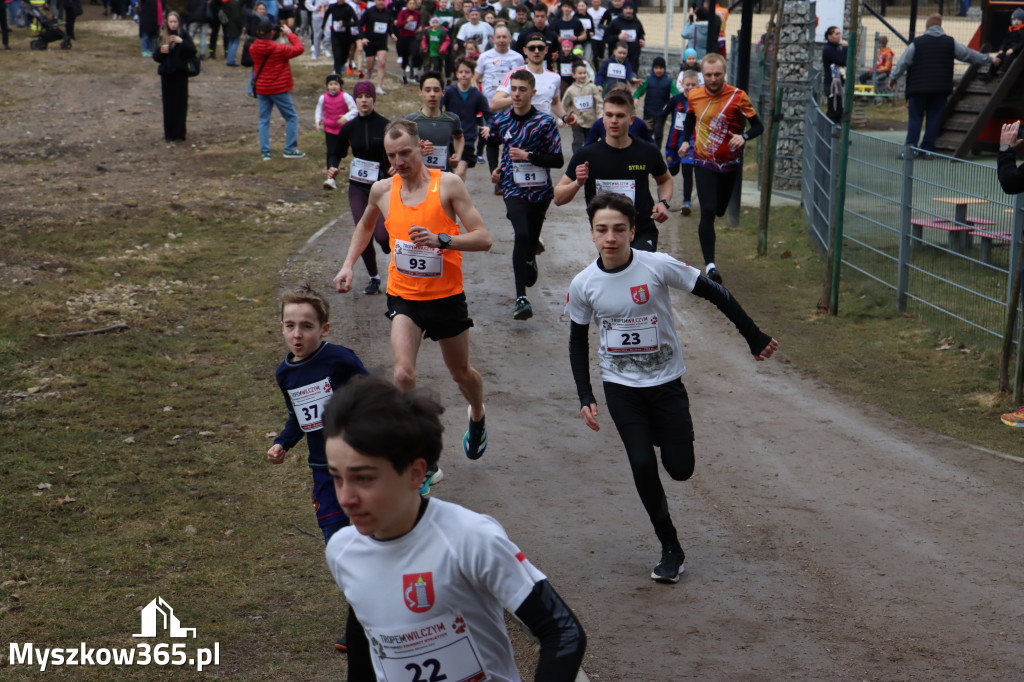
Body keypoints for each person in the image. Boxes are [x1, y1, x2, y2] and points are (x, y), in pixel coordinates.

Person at [566, 192, 778, 583]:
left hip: (666, 384)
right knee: (643, 464)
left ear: (632, 231)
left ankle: (668, 439)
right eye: (601, 230)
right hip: (621, 388)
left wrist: (752, 335)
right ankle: (670, 548)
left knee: (680, 469)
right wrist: (585, 394)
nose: (610, 237)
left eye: (618, 229)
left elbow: (714, 292)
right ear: (592, 234)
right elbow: (578, 340)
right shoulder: (584, 284)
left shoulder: (657, 266)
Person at [322, 374, 587, 681]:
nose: (346, 498)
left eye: (364, 478)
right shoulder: (343, 551)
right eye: (337, 477)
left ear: (415, 473)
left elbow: (563, 631)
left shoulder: (471, 540)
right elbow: (364, 643)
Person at [332, 119, 493, 464]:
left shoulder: (447, 185)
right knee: (402, 373)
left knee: (460, 372)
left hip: (446, 296)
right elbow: (364, 226)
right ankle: (423, 450)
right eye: (392, 155)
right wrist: (348, 265)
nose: (399, 161)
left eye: (405, 152)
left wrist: (442, 240)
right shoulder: (383, 191)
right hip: (404, 295)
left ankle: (477, 412)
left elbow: (484, 238)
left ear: (421, 148)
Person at [267, 283, 368, 652]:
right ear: (281, 327)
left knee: (368, 542)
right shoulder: (285, 374)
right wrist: (282, 441)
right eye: (290, 325)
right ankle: (364, 613)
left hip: (358, 466)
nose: (298, 333)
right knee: (336, 548)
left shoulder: (339, 359)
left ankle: (363, 626)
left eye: (306, 326)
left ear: (323, 329)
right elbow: (297, 417)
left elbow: (372, 394)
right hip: (322, 471)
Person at [679, 52, 763, 283]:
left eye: (717, 74)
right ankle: (711, 266)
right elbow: (689, 118)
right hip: (704, 160)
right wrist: (686, 140)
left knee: (719, 210)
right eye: (708, 75)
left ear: (724, 73)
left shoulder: (738, 96)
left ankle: (717, 212)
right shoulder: (694, 95)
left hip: (730, 164)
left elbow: (758, 126)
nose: (713, 79)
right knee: (707, 210)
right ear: (702, 74)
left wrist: (744, 136)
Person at [554, 88, 671, 252]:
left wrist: (663, 202)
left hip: (642, 231)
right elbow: (558, 198)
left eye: (620, 116)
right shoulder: (586, 155)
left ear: (631, 120)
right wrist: (577, 183)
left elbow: (664, 179)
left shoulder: (648, 151)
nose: (613, 120)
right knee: (618, 273)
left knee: (638, 273)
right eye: (609, 115)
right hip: (607, 236)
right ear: (603, 119)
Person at [488, 69, 564, 320]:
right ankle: (521, 298)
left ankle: (531, 255)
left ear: (533, 92)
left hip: (541, 191)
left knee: (530, 237)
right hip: (512, 187)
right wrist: (495, 170)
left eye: (522, 89)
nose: (517, 94)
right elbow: (491, 143)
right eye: (514, 89)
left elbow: (557, 159)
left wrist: (528, 156)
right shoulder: (501, 120)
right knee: (520, 234)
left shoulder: (545, 122)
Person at [889, 14, 997, 158]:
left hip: (918, 88)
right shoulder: (950, 42)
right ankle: (928, 149)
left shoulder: (917, 43)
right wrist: (988, 59)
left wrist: (893, 77)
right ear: (941, 26)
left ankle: (911, 149)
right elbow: (968, 55)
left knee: (915, 118)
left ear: (927, 26)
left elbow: (903, 62)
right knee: (933, 119)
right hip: (940, 89)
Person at [329, 81, 392, 295]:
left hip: (382, 186)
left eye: (367, 96)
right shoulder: (349, 127)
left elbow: (396, 152)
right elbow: (335, 151)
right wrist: (332, 167)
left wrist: (394, 168)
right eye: (360, 96)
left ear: (373, 98)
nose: (364, 100)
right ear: (354, 100)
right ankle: (374, 278)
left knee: (382, 236)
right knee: (362, 232)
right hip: (358, 187)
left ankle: (387, 244)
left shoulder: (385, 125)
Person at [492, 32, 577, 127]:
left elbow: (554, 103)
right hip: (521, 130)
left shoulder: (555, 77)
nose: (536, 51)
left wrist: (565, 117)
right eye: (532, 48)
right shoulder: (515, 74)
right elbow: (494, 104)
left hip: (544, 131)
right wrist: (519, 98)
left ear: (546, 50)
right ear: (525, 51)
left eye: (540, 48)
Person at [250, 19, 307, 161]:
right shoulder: (279, 49)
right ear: (272, 33)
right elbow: (299, 48)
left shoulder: (253, 48)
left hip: (262, 88)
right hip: (279, 88)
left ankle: (265, 152)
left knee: (264, 119)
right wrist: (289, 33)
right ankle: (290, 149)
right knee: (291, 117)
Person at [407, 71, 465, 173]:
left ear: (443, 93)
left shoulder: (452, 119)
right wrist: (418, 151)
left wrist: (458, 155)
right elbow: (402, 149)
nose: (432, 94)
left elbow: (459, 137)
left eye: (436, 90)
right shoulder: (410, 121)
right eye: (428, 90)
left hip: (443, 177)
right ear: (420, 92)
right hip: (418, 177)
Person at [444, 57, 491, 180]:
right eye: (461, 72)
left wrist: (489, 126)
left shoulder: (478, 96)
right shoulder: (449, 92)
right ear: (456, 74)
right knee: (450, 175)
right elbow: (436, 109)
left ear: (472, 74)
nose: (464, 75)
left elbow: (489, 116)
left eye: (467, 72)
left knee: (460, 172)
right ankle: (452, 197)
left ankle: (457, 197)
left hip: (468, 139)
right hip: (448, 139)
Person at [153, 11, 196, 142]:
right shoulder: (162, 36)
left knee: (181, 104)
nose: (173, 24)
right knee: (168, 105)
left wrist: (182, 42)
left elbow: (193, 51)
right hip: (166, 75)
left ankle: (180, 133)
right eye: (170, 22)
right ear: (167, 22)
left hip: (180, 75)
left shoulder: (184, 35)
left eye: (175, 22)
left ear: (179, 23)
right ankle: (169, 133)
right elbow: (156, 57)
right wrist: (161, 51)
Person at [662, 69, 699, 216]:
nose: (690, 87)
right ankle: (664, 196)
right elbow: (662, 115)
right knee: (672, 170)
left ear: (698, 85)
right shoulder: (675, 100)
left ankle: (686, 202)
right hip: (673, 142)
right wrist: (657, 131)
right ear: (682, 84)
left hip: (690, 143)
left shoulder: (700, 101)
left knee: (687, 171)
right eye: (687, 84)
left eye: (693, 84)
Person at [316, 74, 359, 189]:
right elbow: (319, 111)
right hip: (329, 129)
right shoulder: (323, 98)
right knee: (331, 153)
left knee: (341, 153)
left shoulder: (346, 97)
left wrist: (346, 117)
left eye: (336, 84)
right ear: (327, 86)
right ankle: (330, 178)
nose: (333, 86)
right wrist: (317, 121)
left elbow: (354, 110)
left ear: (340, 85)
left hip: (343, 131)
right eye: (331, 84)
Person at [561, 59, 603, 153]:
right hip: (577, 122)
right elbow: (564, 104)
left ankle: (590, 157)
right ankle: (577, 157)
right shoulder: (570, 90)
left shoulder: (592, 87)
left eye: (585, 73)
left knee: (591, 141)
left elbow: (599, 103)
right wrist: (562, 119)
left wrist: (600, 116)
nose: (583, 75)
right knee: (577, 141)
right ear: (574, 75)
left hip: (591, 121)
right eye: (580, 73)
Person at [632, 55, 672, 150]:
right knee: (646, 132)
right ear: (653, 68)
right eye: (656, 68)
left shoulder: (669, 81)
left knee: (658, 133)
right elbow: (639, 91)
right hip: (648, 112)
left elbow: (676, 94)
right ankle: (644, 150)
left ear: (664, 69)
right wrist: (635, 98)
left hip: (661, 113)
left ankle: (657, 151)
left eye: (661, 68)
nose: (658, 70)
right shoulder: (648, 80)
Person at [359, 0, 396, 95]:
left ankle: (379, 87)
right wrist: (363, 38)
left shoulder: (388, 12)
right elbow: (360, 24)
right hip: (370, 41)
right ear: (375, 1)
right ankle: (368, 75)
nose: (381, 2)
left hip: (382, 42)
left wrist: (392, 34)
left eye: (383, 0)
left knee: (382, 62)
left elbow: (389, 26)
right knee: (370, 63)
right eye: (379, 0)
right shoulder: (369, 11)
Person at [602, 0, 643, 73]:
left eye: (630, 9)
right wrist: (618, 37)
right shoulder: (615, 22)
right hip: (618, 59)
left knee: (631, 80)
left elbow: (641, 35)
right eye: (626, 8)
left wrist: (642, 40)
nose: (628, 11)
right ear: (622, 9)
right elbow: (605, 38)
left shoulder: (637, 22)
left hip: (633, 58)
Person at [323, 0, 359, 76]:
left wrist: (346, 23)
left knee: (345, 54)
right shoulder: (332, 7)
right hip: (335, 34)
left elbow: (356, 22)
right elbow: (326, 15)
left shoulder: (348, 8)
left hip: (346, 35)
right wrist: (323, 26)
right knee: (337, 54)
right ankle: (337, 73)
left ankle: (341, 64)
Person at [822, 25, 847, 125]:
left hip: (838, 85)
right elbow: (842, 61)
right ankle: (827, 133)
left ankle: (835, 135)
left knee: (839, 110)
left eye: (839, 33)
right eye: (836, 34)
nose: (839, 36)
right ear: (829, 36)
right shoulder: (828, 49)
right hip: (831, 85)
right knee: (834, 110)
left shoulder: (835, 48)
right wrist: (845, 48)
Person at [395, 0, 422, 84]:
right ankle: (403, 75)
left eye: (413, 3)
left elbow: (417, 24)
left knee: (416, 53)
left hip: (412, 37)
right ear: (407, 4)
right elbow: (398, 24)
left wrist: (419, 28)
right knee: (405, 57)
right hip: (403, 37)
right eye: (410, 3)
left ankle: (416, 74)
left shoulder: (417, 13)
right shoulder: (403, 12)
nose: (412, 5)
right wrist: (406, 20)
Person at [992, 9, 1024, 76]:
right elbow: (1005, 41)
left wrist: (1013, 49)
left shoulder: (1022, 31)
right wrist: (1001, 49)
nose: (1016, 22)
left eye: (1019, 20)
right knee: (998, 57)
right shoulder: (1010, 30)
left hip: (1016, 52)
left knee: (1008, 58)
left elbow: (1021, 43)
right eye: (1014, 20)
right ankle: (990, 73)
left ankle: (1004, 73)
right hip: (1007, 50)